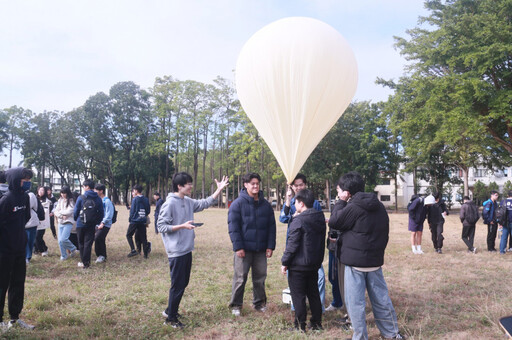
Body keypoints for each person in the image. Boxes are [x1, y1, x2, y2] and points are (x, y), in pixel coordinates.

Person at [329, 172, 402, 340]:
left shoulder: (353, 206)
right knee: (381, 299)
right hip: (374, 261)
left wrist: (340, 202)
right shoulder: (378, 205)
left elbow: (334, 221)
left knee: (356, 303)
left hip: (355, 263)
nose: (338, 194)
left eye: (340, 191)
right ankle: (391, 334)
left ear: (347, 192)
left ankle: (360, 336)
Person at [157, 172, 229, 328]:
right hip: (176, 251)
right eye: (188, 184)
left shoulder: (187, 201)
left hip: (186, 249)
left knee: (183, 283)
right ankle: (171, 319)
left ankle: (170, 310)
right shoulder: (169, 204)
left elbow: (204, 203)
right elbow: (161, 226)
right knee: (177, 285)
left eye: (191, 183)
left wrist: (219, 190)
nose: (191, 186)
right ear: (179, 186)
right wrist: (182, 226)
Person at [228, 173, 276, 317]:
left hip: (261, 249)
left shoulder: (266, 205)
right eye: (252, 183)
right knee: (240, 277)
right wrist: (238, 247)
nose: (255, 186)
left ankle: (259, 303)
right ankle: (236, 305)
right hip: (244, 250)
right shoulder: (237, 204)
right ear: (245, 185)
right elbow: (233, 227)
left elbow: (271, 227)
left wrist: (270, 246)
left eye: (257, 183)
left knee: (260, 277)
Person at [279, 173, 326, 313]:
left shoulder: (313, 202)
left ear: (305, 185)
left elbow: (318, 220)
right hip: (294, 243)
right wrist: (288, 200)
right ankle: (296, 307)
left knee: (319, 277)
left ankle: (318, 308)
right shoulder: (292, 202)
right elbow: (283, 219)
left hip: (310, 246)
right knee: (294, 281)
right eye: (296, 185)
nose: (298, 187)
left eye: (301, 185)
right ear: (292, 187)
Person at [0, 167, 35, 330]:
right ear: (15, 180)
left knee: (18, 283)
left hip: (20, 248)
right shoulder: (6, 199)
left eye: (29, 180)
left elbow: (26, 217)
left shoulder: (25, 197)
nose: (27, 183)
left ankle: (14, 318)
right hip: (4, 251)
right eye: (25, 180)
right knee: (2, 284)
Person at [73, 179, 104, 269]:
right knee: (88, 243)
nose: (83, 188)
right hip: (91, 224)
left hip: (80, 223)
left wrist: (76, 219)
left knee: (81, 243)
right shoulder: (98, 198)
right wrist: (97, 222)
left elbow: (76, 210)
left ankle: (84, 262)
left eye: (83, 186)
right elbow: (101, 212)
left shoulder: (81, 197)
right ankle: (86, 263)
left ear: (87, 187)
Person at [53, 185, 78, 261]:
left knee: (63, 239)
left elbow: (71, 210)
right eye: (62, 193)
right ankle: (63, 256)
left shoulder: (71, 200)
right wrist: (61, 215)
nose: (63, 195)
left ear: (68, 193)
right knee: (60, 241)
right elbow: (55, 211)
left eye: (64, 193)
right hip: (61, 222)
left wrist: (62, 213)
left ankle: (73, 248)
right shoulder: (60, 200)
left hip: (68, 222)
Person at [126, 185, 151, 259]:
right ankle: (145, 255)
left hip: (135, 220)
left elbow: (132, 210)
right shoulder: (146, 199)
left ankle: (133, 250)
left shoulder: (135, 199)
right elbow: (148, 210)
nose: (133, 192)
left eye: (133, 191)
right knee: (143, 238)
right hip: (142, 220)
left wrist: (130, 219)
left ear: (136, 191)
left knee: (128, 235)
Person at [94, 184, 114, 263]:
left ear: (101, 191)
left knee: (98, 237)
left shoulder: (107, 201)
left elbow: (109, 214)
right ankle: (100, 255)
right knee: (99, 239)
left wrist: (103, 222)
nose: (95, 192)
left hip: (105, 224)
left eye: (96, 190)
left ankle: (102, 255)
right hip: (98, 224)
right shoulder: (98, 200)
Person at [34, 186, 51, 256]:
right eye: (40, 190)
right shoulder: (34, 199)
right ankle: (36, 249)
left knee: (38, 236)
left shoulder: (47, 201)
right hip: (34, 220)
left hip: (42, 221)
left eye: (43, 190)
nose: (41, 192)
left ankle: (44, 249)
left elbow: (45, 211)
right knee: (35, 236)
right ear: (37, 191)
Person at [499, 191, 512, 255]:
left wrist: (500, 222)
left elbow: (500, 213)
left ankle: (502, 250)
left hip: (505, 222)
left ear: (507, 195)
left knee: (504, 237)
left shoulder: (503, 202)